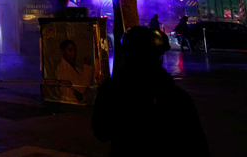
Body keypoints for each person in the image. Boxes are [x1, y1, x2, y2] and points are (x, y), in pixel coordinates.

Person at [92, 26, 209, 156]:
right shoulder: (176, 95)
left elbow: (101, 133)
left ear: (125, 54)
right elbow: (198, 144)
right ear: (159, 56)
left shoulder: (111, 90)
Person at [56, 39, 94, 103]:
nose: (74, 53)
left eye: (75, 50)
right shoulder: (63, 69)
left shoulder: (74, 67)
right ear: (63, 52)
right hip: (71, 105)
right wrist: (87, 67)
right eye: (70, 50)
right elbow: (81, 88)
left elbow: (85, 86)